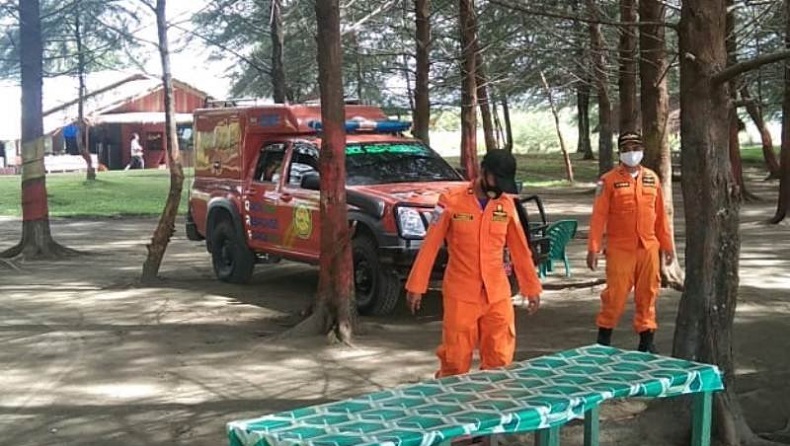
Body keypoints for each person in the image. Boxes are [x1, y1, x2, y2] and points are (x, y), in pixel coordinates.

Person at [405, 150, 543, 378]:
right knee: (455, 362)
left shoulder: (507, 205)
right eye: (495, 180)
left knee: (500, 360)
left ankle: (494, 407)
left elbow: (520, 250)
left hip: (497, 295)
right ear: (483, 171)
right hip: (461, 294)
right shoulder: (450, 200)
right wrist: (416, 285)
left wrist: (532, 287)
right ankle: (450, 409)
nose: (498, 187)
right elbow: (430, 244)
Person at [587, 132, 675, 353]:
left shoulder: (652, 178)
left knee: (648, 294)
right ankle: (603, 342)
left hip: (648, 247)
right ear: (620, 153)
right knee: (614, 296)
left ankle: (647, 343)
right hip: (620, 249)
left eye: (636, 147)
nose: (632, 153)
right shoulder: (608, 181)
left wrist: (667, 246)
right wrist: (593, 248)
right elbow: (599, 216)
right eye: (626, 149)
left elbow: (661, 216)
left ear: (642, 150)